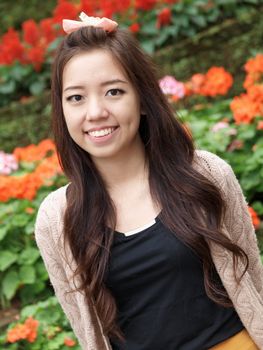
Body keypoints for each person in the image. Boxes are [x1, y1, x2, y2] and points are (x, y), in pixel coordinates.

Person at [35, 12, 263, 350]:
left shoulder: (205, 175)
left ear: (141, 98)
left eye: (113, 91)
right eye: (76, 97)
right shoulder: (58, 219)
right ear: (63, 109)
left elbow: (253, 282)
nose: (95, 111)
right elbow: (87, 330)